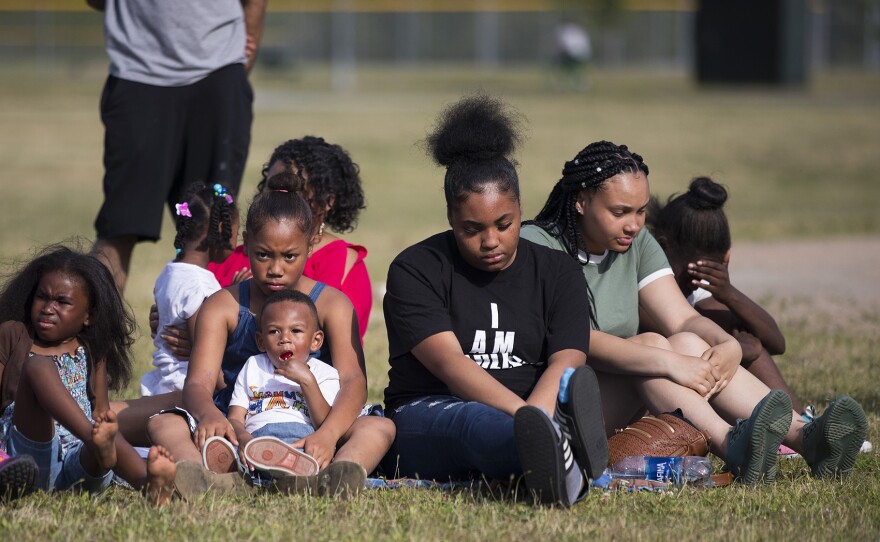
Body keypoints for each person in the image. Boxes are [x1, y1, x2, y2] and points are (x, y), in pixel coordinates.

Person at [521, 140, 869, 482]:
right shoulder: (539, 244)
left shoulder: (635, 243)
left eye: (641, 211)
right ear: (581, 202)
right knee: (655, 344)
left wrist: (727, 345)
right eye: (620, 212)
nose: (634, 224)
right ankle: (731, 444)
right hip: (564, 406)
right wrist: (668, 362)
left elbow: (684, 317)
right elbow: (573, 339)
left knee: (687, 339)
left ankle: (806, 438)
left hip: (628, 387)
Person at [380, 95, 608, 508]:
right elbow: (450, 365)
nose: (491, 241)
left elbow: (567, 357)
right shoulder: (415, 268)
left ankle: (552, 451)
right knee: (473, 421)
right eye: (472, 229)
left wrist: (536, 416)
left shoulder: (558, 270)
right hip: (431, 411)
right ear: (450, 217)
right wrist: (530, 420)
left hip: (532, 407)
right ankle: (558, 457)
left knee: (567, 387)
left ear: (521, 209)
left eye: (504, 224)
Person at [147, 191, 394, 499]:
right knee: (165, 423)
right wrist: (211, 417)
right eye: (263, 255)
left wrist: (329, 436)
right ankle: (204, 476)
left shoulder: (332, 303)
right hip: (240, 426)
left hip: (317, 423)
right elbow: (198, 383)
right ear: (246, 243)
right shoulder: (223, 304)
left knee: (380, 428)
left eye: (289, 256)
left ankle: (337, 475)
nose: (276, 268)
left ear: (309, 246)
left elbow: (354, 382)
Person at [645, 176, 873, 457]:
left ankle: (803, 424)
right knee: (741, 343)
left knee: (745, 335)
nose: (697, 282)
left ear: (725, 259)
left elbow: (776, 343)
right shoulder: (648, 295)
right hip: (657, 394)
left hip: (703, 388)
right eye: (692, 272)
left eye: (709, 274)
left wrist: (729, 293)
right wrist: (739, 349)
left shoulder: (704, 297)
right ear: (662, 248)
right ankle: (788, 434)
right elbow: (676, 343)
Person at [87, 0, 266, 292]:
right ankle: (95, 336)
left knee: (213, 226)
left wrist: (246, 48)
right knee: (120, 225)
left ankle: (214, 335)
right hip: (139, 73)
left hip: (218, 70)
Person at [0, 245, 176, 505]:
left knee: (105, 427)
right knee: (38, 367)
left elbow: (101, 412)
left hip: (81, 465)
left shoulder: (92, 349)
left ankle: (148, 484)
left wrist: (100, 440)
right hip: (29, 461)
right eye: (42, 297)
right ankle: (97, 442)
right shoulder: (14, 334)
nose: (48, 308)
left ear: (88, 316)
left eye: (62, 302)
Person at [208, 136, 372, 341]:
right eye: (273, 186)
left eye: (296, 189)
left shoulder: (345, 265)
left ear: (327, 201)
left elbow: (341, 348)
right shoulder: (231, 256)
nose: (282, 195)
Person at [209, 290, 340, 478]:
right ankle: (229, 474)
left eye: (295, 331)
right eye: (274, 331)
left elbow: (323, 423)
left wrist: (307, 381)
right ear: (261, 341)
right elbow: (236, 418)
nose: (284, 338)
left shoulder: (323, 373)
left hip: (299, 442)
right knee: (233, 452)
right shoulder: (253, 366)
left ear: (316, 341)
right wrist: (243, 437)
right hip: (256, 442)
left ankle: (290, 475)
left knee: (308, 460)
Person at [141, 183, 239, 397]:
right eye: (235, 234)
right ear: (221, 230)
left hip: (165, 381)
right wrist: (232, 392)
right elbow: (205, 355)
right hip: (190, 390)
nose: (235, 244)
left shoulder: (171, 270)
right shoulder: (200, 287)